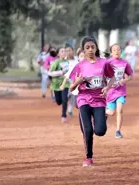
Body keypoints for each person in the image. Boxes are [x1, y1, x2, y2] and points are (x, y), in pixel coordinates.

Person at [69, 36, 115, 167]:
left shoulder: (104, 63)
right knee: (87, 130)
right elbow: (72, 88)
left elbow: (112, 77)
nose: (90, 50)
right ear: (83, 50)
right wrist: (78, 82)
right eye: (87, 48)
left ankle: (102, 117)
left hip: (99, 100)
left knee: (100, 131)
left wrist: (107, 88)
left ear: (96, 48)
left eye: (92, 47)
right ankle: (88, 157)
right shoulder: (79, 66)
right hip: (84, 100)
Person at [105, 44, 133, 139]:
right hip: (110, 91)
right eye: (114, 50)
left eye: (118, 49)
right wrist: (108, 84)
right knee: (112, 112)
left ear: (121, 51)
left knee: (120, 110)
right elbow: (102, 76)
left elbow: (130, 75)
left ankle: (118, 131)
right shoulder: (107, 63)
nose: (116, 51)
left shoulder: (124, 63)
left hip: (120, 91)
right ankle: (104, 111)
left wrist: (125, 80)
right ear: (111, 52)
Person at [48, 47, 70, 123]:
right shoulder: (56, 62)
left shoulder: (68, 62)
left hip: (65, 84)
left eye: (65, 51)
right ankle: (59, 101)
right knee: (59, 102)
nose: (64, 53)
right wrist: (60, 72)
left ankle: (64, 115)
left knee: (65, 99)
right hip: (56, 85)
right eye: (62, 51)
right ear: (58, 54)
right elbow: (50, 73)